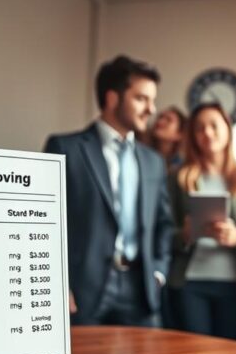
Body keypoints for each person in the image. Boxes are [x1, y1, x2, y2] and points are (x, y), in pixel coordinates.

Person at [43, 55, 174, 326]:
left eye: (152, 100)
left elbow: (164, 223)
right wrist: (56, 282)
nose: (152, 109)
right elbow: (45, 224)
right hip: (81, 291)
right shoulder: (65, 148)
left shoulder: (153, 161)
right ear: (112, 98)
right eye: (141, 99)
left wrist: (158, 272)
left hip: (141, 288)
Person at [166, 103, 236, 339]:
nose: (207, 133)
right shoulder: (178, 179)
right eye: (199, 128)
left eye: (214, 126)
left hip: (234, 285)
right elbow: (163, 232)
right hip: (190, 282)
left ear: (228, 130)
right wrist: (184, 234)